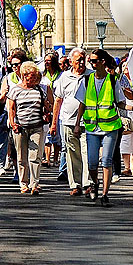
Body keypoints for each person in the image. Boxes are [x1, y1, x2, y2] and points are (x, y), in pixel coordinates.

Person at [72, 49, 126, 207]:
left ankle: (105, 194)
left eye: (94, 61)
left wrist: (132, 107)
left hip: (110, 126)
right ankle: (95, 183)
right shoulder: (87, 80)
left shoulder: (112, 80)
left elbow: (120, 102)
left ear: (102, 61)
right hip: (91, 127)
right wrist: (77, 124)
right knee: (92, 163)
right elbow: (82, 104)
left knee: (107, 160)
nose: (91, 64)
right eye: (91, 61)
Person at [7, 61, 52, 195]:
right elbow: (11, 108)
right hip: (20, 128)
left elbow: (46, 105)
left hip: (36, 126)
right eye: (31, 76)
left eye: (35, 77)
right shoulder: (15, 89)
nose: (34, 79)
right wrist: (13, 123)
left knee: (35, 156)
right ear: (24, 75)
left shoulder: (39, 89)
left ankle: (34, 183)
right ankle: (23, 183)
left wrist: (48, 108)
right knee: (22, 157)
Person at [51, 48, 88, 195]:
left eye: (82, 59)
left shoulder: (90, 76)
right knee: (72, 155)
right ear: (71, 61)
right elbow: (58, 100)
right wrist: (54, 124)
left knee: (87, 154)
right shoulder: (64, 77)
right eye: (78, 59)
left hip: (87, 122)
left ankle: (88, 184)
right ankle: (75, 185)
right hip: (67, 121)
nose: (80, 62)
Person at [41, 53, 63, 167]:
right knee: (47, 135)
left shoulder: (62, 76)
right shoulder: (43, 77)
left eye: (49, 60)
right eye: (45, 61)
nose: (46, 63)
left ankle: (56, 159)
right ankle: (48, 159)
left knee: (57, 134)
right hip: (47, 108)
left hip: (59, 108)